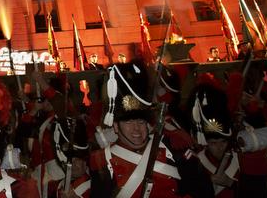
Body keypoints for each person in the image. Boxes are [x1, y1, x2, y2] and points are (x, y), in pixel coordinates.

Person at [90, 61, 211, 197]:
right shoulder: (102, 161)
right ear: (116, 127)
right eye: (129, 122)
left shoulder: (173, 148)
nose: (136, 128)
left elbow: (203, 190)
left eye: (141, 121)